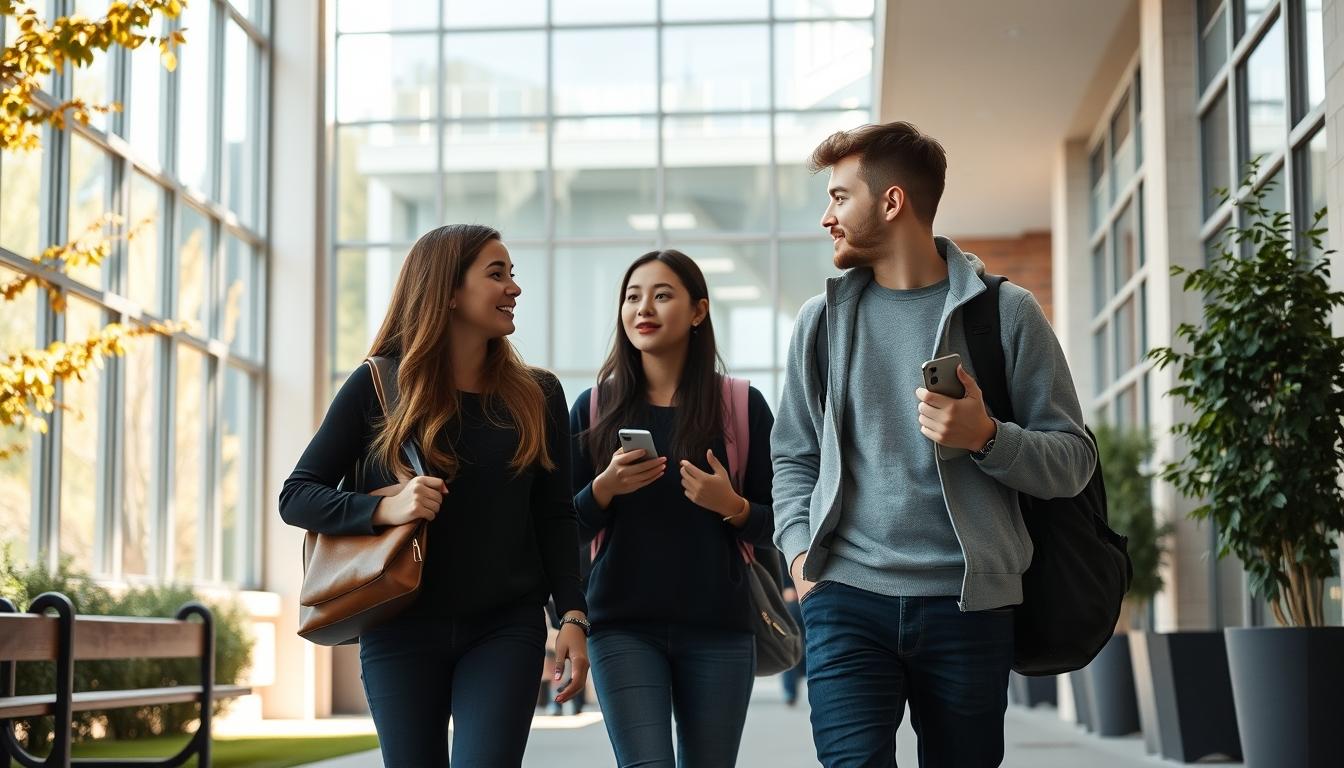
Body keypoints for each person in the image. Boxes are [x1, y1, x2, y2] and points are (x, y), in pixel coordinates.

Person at [771, 122, 1096, 767]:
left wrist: (987, 438)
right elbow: (794, 457)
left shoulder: (1005, 313)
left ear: (892, 202)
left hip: (968, 606)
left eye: (840, 198)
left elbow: (1074, 460)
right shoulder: (821, 322)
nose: (827, 217)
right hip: (844, 600)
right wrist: (802, 556)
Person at [280, 224, 589, 767]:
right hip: (399, 626)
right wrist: (383, 507)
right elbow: (297, 495)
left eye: (512, 273)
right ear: (448, 291)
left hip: (505, 627)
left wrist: (572, 615)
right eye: (496, 274)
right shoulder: (377, 386)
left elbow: (555, 516)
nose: (514, 287)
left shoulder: (538, 394)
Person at [570, 250, 776, 767]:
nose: (644, 308)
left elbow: (783, 522)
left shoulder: (741, 407)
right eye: (632, 297)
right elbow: (561, 527)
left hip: (720, 629)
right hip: (621, 627)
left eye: (662, 295)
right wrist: (603, 489)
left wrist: (732, 506)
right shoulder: (593, 409)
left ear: (699, 310)